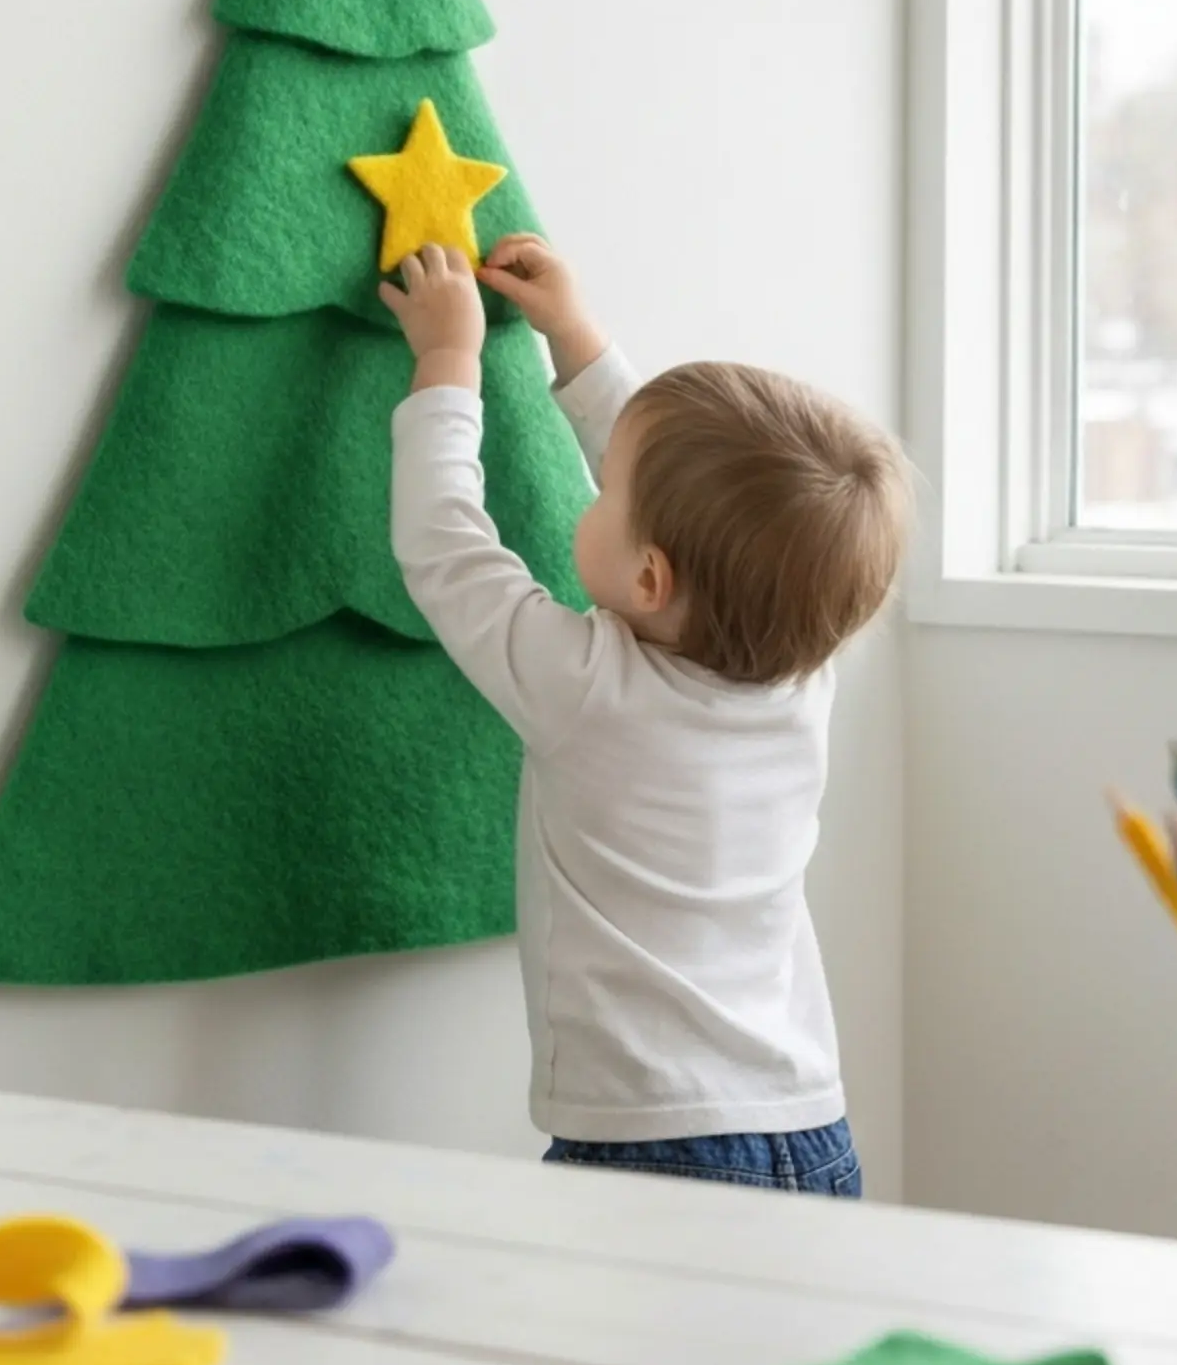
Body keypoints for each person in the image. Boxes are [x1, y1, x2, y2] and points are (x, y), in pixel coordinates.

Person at [381, 234, 911, 1194]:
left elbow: (446, 550)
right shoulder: (802, 680)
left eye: (608, 493)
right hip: (812, 1128)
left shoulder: (587, 688)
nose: (595, 493)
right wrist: (575, 339)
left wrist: (448, 362)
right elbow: (702, 505)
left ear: (649, 576)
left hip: (654, 1151)